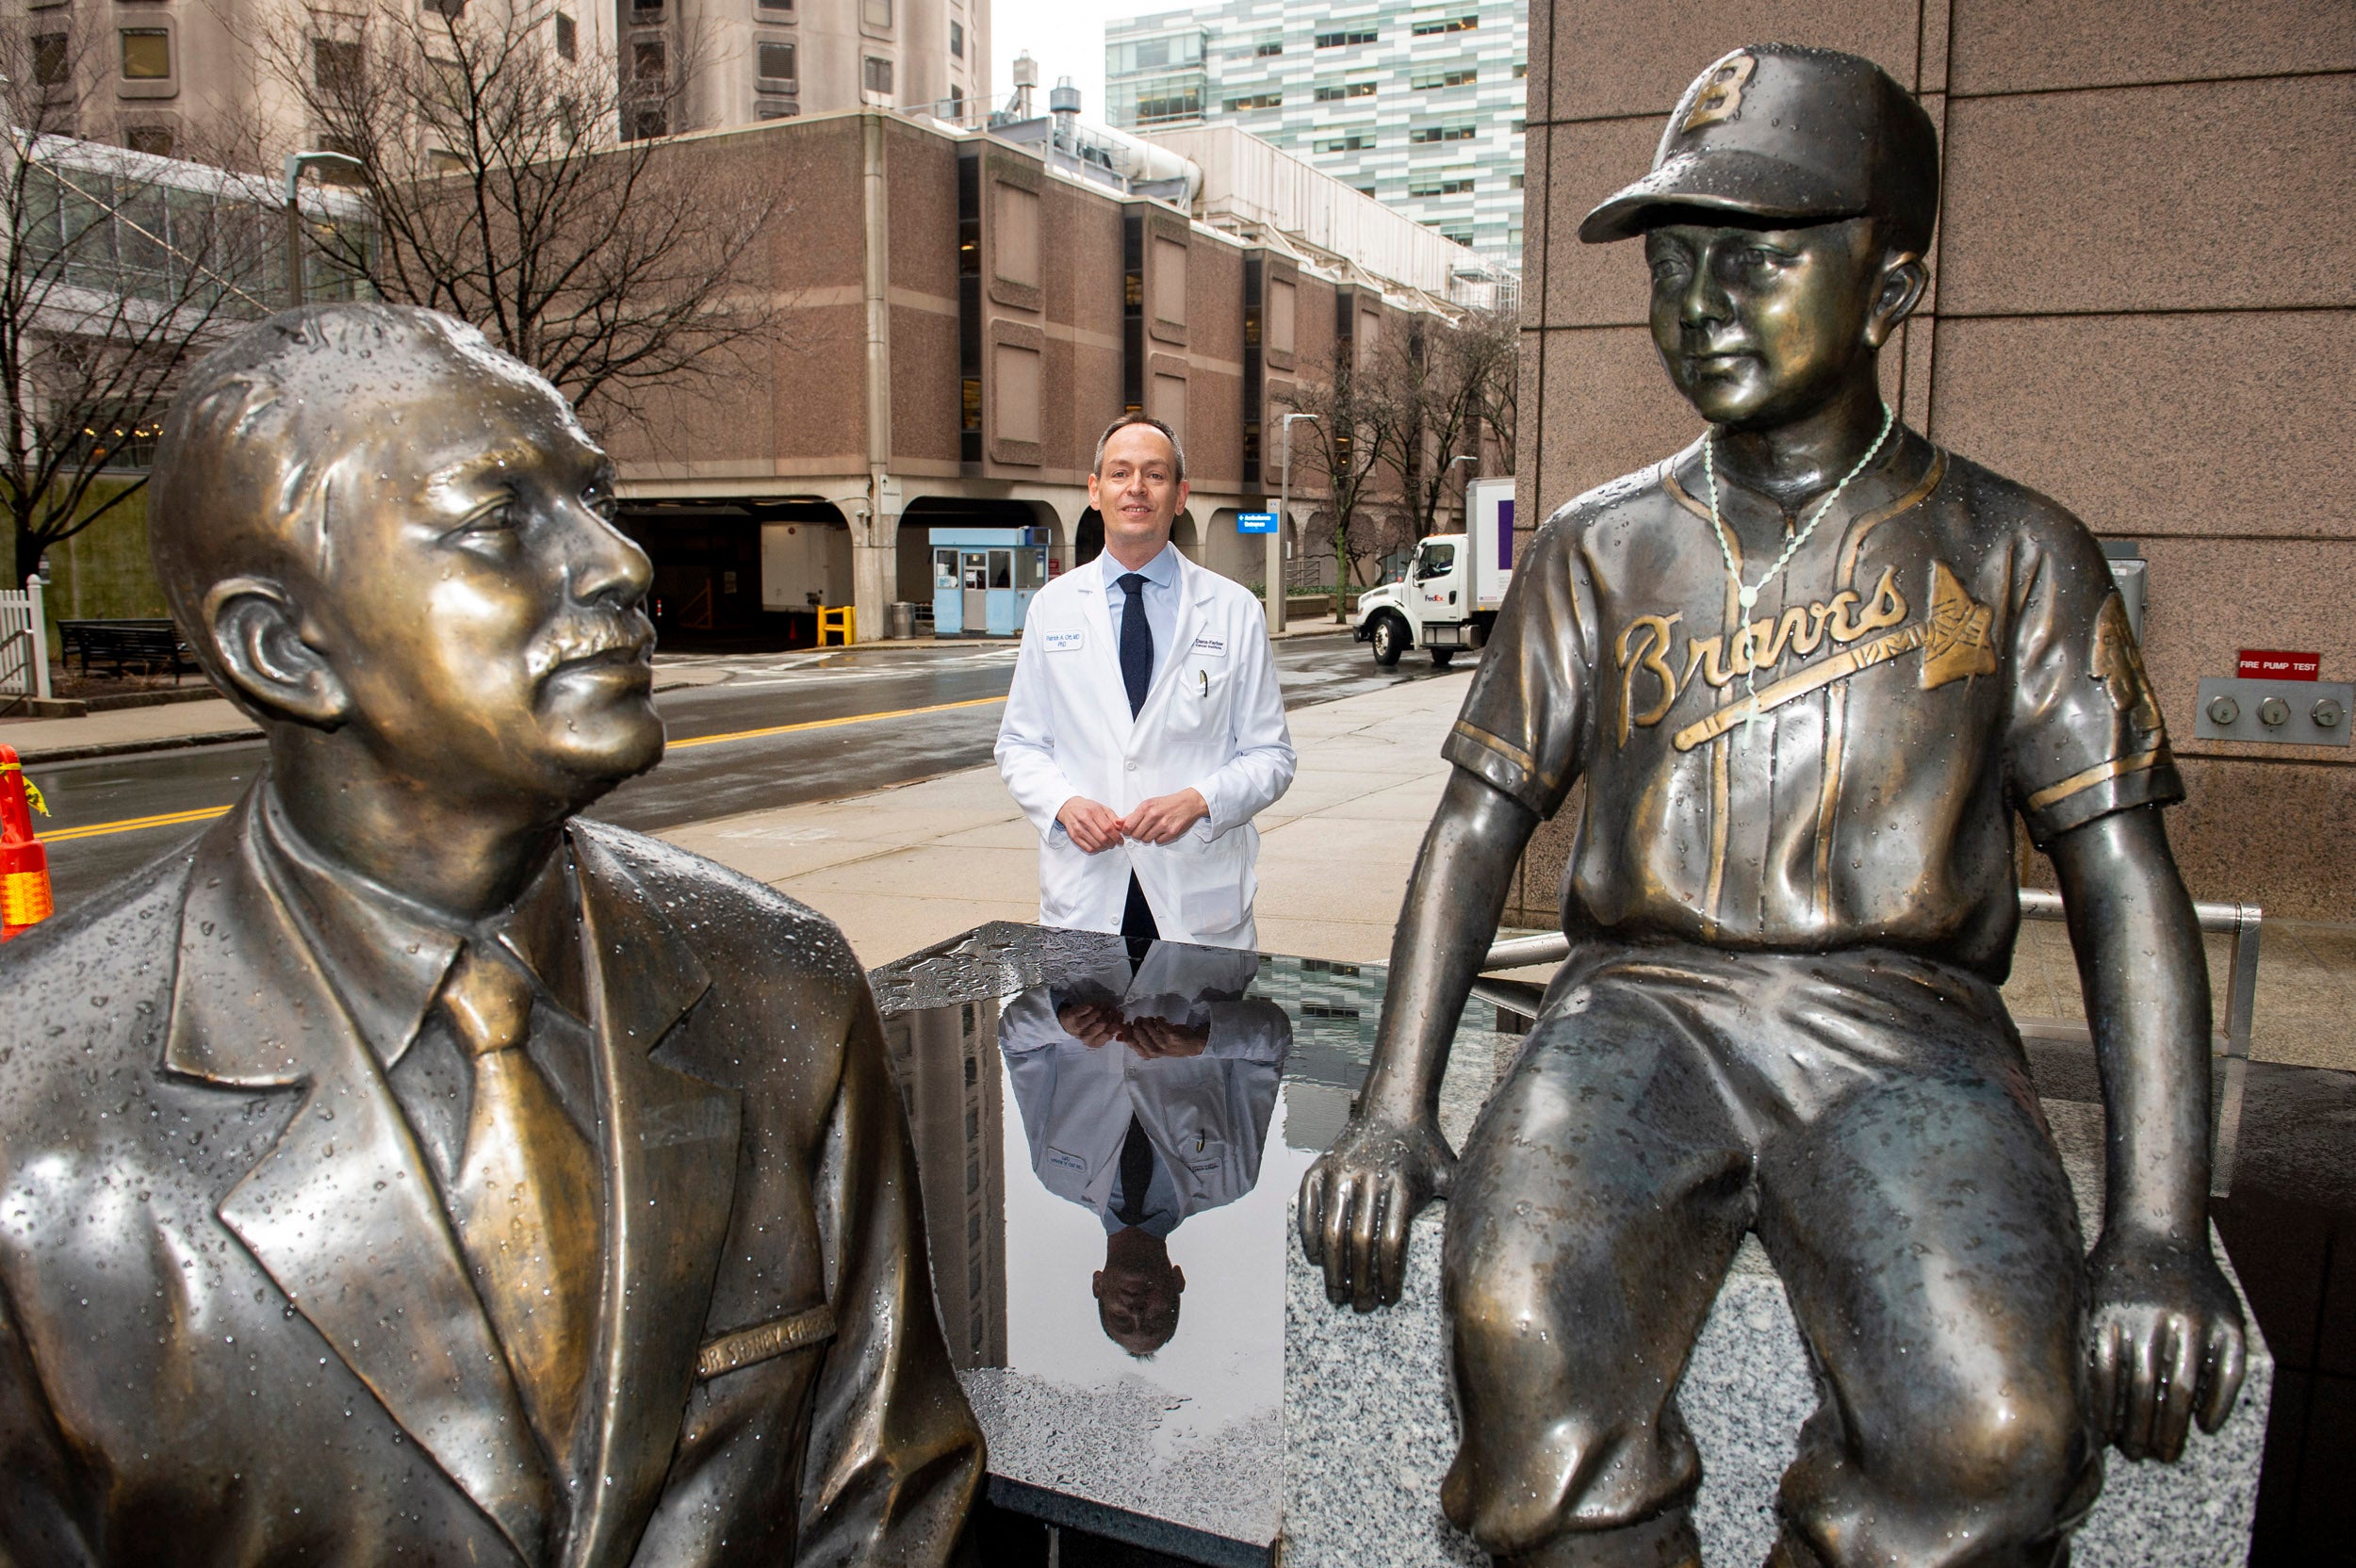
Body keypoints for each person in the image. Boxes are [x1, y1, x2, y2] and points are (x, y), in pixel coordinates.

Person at [1298, 45, 2245, 1568]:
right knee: (1516, 1308)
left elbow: (2131, 882)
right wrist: (1395, 1107)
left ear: (1891, 287)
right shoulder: (1602, 547)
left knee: (2003, 1426)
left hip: (1906, 1031)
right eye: (1675, 259)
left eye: (1759, 254)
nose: (1700, 299)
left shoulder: (2013, 551)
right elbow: (1476, 822)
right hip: (1636, 1012)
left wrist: (2154, 1225)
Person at [0, 305, 982, 1565]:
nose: (620, 562)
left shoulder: (778, 983)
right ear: (287, 645)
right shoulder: (35, 1111)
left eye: (593, 496)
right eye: (497, 518)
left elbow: (893, 1494)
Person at [996, 414, 1297, 948]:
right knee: (1086, 1031)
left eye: (1155, 475)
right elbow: (1020, 745)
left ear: (1180, 495)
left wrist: (1200, 800)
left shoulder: (1234, 610)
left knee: (1199, 1032)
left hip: (1197, 896)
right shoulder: (1053, 608)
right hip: (1086, 896)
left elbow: (1271, 756)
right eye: (1120, 473)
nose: (1136, 488)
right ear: (1095, 491)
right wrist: (1063, 803)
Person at [998, 941, 1290, 1354]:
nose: (1136, 1309)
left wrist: (1061, 1022)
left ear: (1098, 1285)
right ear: (1177, 1282)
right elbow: (1273, 1038)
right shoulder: (1231, 1178)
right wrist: (1199, 1042)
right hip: (1197, 953)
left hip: (1090, 952)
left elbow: (1014, 1037)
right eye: (1154, 1316)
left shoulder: (1055, 1172)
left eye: (1121, 1318)